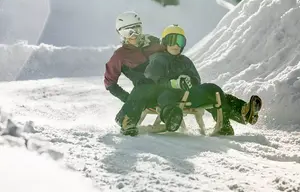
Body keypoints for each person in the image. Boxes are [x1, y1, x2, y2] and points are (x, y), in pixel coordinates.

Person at [116, 24, 262, 136]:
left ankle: (241, 113)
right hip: (165, 94)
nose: (175, 45)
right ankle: (172, 118)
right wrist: (173, 83)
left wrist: (190, 81)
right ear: (165, 42)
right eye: (171, 40)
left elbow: (196, 78)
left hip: (189, 94)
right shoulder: (158, 59)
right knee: (167, 97)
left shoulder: (185, 61)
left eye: (179, 41)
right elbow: (152, 79)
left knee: (213, 89)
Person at [104, 11, 165, 134]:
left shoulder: (154, 42)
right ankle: (125, 119)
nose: (134, 35)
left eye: (137, 29)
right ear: (121, 34)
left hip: (166, 89)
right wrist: (128, 99)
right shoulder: (120, 55)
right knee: (145, 86)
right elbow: (109, 83)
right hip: (145, 95)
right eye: (128, 32)